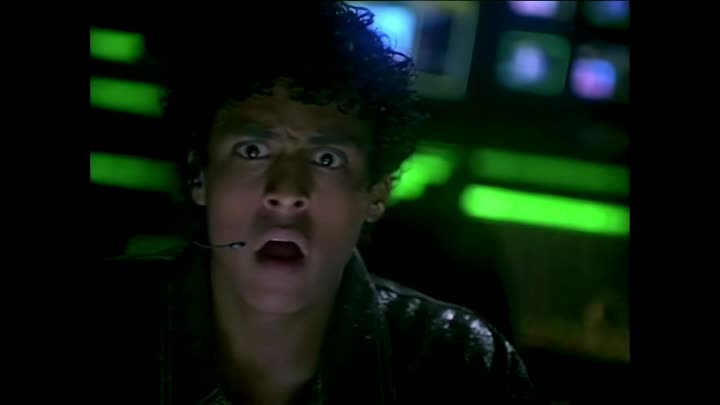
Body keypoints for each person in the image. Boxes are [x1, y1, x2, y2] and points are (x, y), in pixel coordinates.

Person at [89, 2, 537, 404]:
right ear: (200, 174)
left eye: (327, 159)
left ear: (377, 192)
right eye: (252, 151)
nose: (287, 191)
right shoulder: (103, 326)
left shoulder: (461, 369)